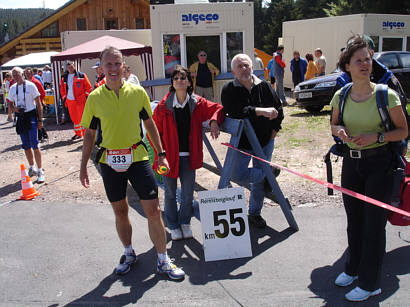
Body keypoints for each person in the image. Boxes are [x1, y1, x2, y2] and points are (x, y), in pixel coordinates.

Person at [79, 46, 185, 280]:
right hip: (108, 161)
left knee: (153, 210)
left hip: (137, 157)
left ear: (124, 66)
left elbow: (149, 125)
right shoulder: (94, 98)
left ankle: (162, 259)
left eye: (117, 64)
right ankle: (128, 253)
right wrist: (83, 165)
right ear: (101, 68)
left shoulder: (137, 93)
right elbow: (89, 134)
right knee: (120, 210)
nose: (114, 69)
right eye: (109, 64)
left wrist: (161, 153)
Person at [330, 35, 407, 302]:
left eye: (368, 59)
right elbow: (333, 125)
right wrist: (339, 131)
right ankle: (352, 269)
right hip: (352, 164)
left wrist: (378, 137)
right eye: (358, 60)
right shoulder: (340, 95)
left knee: (374, 226)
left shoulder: (387, 95)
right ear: (347, 65)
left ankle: (370, 282)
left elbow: (403, 131)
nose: (364, 64)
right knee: (354, 222)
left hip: (380, 165)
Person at [152, 65, 224, 240]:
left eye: (183, 77)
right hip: (168, 159)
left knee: (187, 193)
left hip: (189, 158)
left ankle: (185, 223)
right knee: (169, 193)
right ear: (172, 82)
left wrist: (214, 121)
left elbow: (218, 108)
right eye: (176, 78)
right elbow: (153, 132)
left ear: (189, 81)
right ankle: (173, 225)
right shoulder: (163, 107)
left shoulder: (198, 103)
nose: (179, 80)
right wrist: (160, 155)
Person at [221, 54, 284, 228]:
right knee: (236, 175)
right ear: (233, 71)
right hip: (242, 143)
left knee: (257, 182)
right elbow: (236, 111)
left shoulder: (263, 85)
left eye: (246, 65)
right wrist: (261, 111)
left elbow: (278, 107)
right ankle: (267, 175)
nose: (244, 69)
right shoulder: (228, 89)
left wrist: (275, 129)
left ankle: (255, 213)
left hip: (265, 141)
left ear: (252, 67)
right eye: (240, 66)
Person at [8, 67, 45, 183]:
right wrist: (15, 109)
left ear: (22, 74)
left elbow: (39, 104)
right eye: (13, 75)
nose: (16, 76)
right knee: (26, 145)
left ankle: (40, 170)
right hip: (21, 118)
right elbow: (10, 103)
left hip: (31, 116)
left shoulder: (30, 85)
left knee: (35, 144)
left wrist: (40, 120)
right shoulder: (12, 88)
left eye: (17, 74)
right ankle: (31, 167)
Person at [60, 61, 92, 140]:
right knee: (74, 118)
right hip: (70, 101)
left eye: (71, 66)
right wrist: (65, 98)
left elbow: (88, 88)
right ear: (66, 68)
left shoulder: (81, 75)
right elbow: (62, 89)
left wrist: (84, 97)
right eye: (68, 66)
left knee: (83, 118)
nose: (70, 68)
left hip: (80, 101)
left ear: (74, 66)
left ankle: (86, 135)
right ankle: (78, 133)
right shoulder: (64, 77)